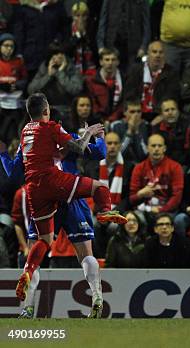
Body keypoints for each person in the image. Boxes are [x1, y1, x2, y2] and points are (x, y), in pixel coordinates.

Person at [15, 93, 127, 312]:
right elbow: (99, 153)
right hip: (69, 193)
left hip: (39, 193)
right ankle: (96, 298)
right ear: (48, 112)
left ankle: (27, 307)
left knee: (38, 245)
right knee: (86, 253)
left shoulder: (27, 136)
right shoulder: (64, 133)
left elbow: (17, 167)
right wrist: (98, 136)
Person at [129, 134, 184, 226]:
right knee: (135, 220)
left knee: (178, 219)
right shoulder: (139, 168)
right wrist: (140, 194)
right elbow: (132, 199)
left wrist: (160, 210)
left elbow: (176, 197)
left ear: (164, 148)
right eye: (153, 146)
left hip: (168, 210)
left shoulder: (175, 167)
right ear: (147, 148)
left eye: (160, 146)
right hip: (144, 210)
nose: (156, 149)